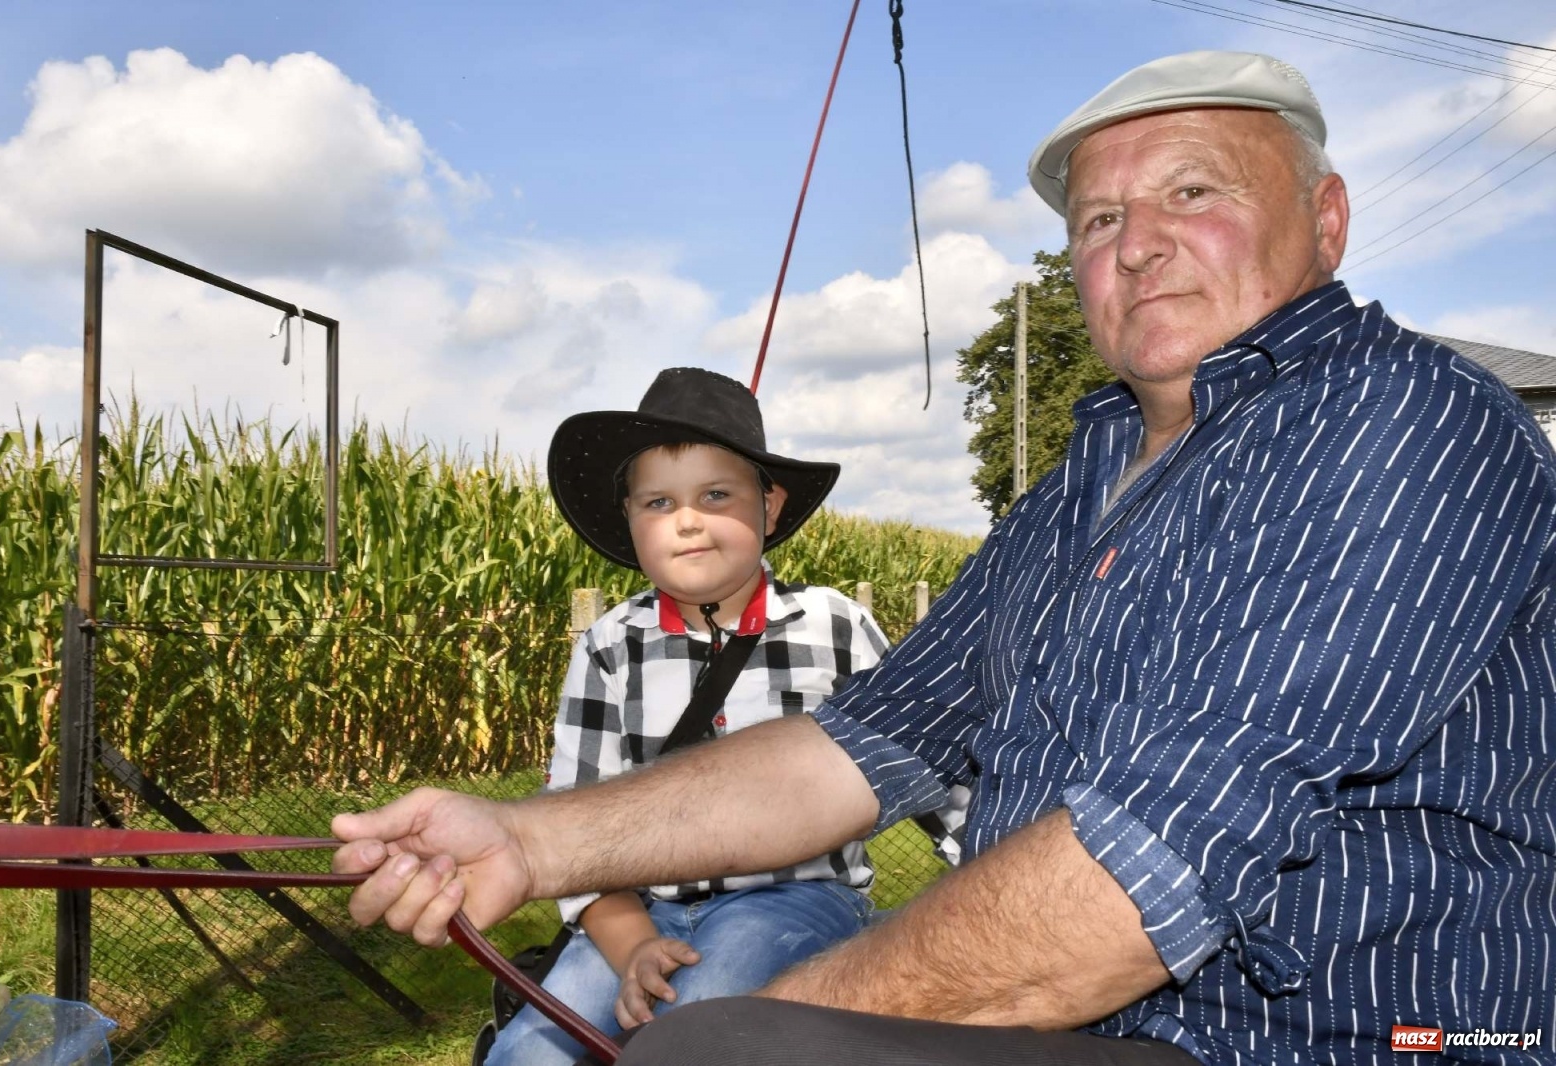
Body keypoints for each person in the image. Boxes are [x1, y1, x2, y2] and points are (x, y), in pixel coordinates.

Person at [334, 51, 1556, 1065]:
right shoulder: (1082, 483)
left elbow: (1147, 869)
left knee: (713, 1045)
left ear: (1325, 218)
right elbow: (862, 746)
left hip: (1331, 1034)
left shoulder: (1400, 421)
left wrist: (776, 1022)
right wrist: (530, 840)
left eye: (1195, 194)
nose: (1136, 245)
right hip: (1114, 1022)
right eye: (1098, 219)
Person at [481, 367, 896, 1066]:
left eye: (715, 494)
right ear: (631, 521)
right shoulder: (611, 646)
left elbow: (932, 764)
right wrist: (633, 943)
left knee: (695, 1030)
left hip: (794, 899)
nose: (688, 520)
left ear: (770, 505)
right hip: (637, 908)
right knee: (529, 1054)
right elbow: (576, 828)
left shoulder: (835, 626)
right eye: (658, 502)